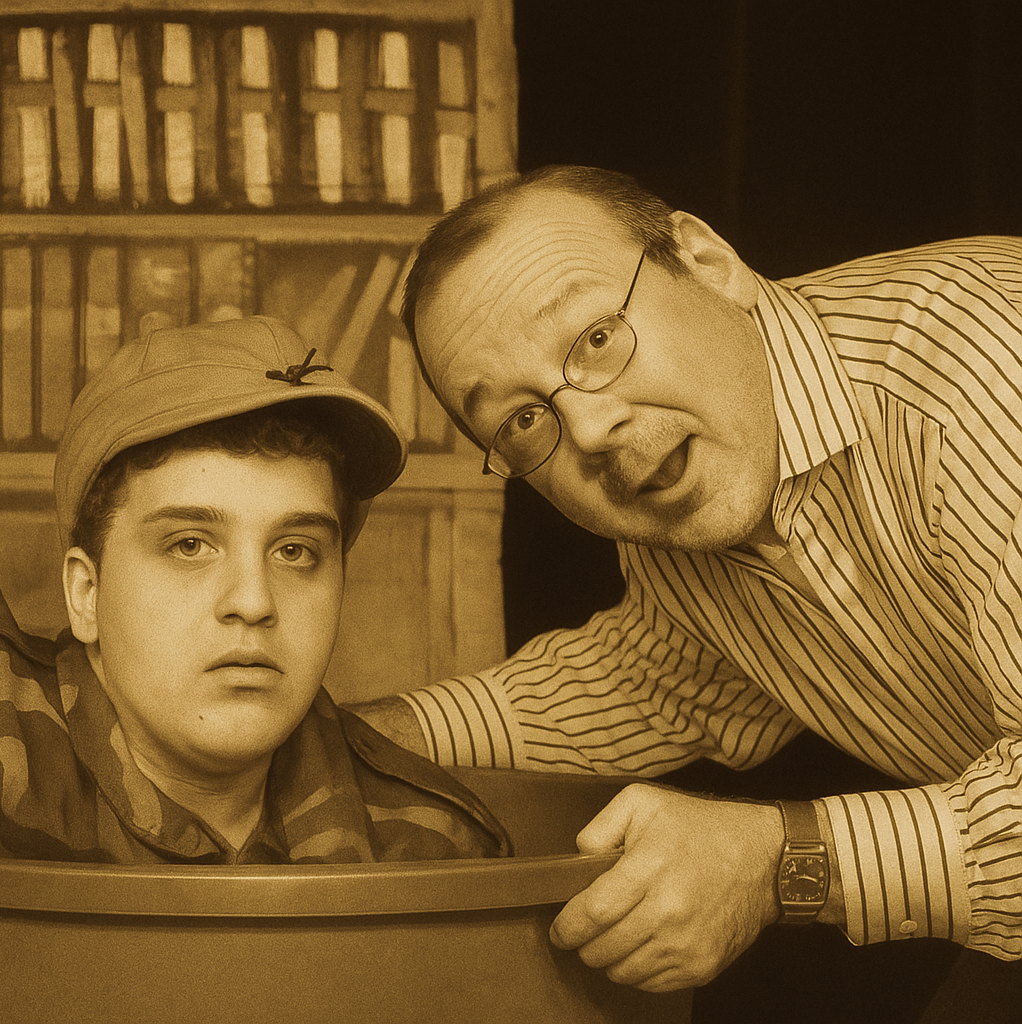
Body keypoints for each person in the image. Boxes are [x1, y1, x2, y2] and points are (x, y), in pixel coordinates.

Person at [351, 163, 1022, 995]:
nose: (590, 430)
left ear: (708, 262)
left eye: (596, 338)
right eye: (525, 421)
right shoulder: (687, 517)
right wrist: (339, 742)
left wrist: (781, 861)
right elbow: (646, 682)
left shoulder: (984, 370)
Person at [0, 315, 509, 864]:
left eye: (295, 551)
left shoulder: (435, 847)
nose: (253, 602)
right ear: (86, 593)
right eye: (189, 545)